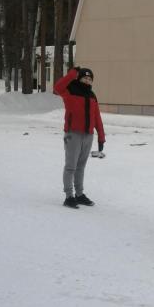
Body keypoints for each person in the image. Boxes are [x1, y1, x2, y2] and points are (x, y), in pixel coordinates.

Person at [54, 66, 106, 208]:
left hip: (88, 135)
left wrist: (101, 136)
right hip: (73, 134)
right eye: (85, 78)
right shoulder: (69, 90)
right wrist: (72, 74)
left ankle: (79, 194)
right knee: (71, 166)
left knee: (81, 167)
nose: (87, 81)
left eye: (90, 79)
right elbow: (57, 87)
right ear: (79, 78)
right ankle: (69, 196)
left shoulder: (92, 95)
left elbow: (97, 117)